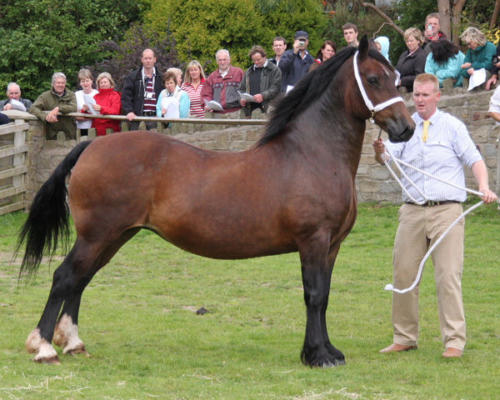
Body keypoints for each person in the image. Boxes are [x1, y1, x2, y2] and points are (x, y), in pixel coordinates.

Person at [373, 73, 497, 359]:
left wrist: (483, 186)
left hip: (447, 211)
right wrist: (380, 152)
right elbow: (387, 159)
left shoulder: (452, 126)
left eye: (425, 95)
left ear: (437, 96)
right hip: (412, 211)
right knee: (403, 274)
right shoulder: (405, 127)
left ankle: (454, 341)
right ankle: (404, 337)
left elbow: (474, 160)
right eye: (416, 95)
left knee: (448, 276)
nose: (420, 100)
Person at [121, 48, 164, 130]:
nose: (148, 61)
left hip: (156, 118)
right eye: (146, 58)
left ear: (154, 59)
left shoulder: (161, 78)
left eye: (150, 58)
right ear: (142, 60)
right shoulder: (132, 77)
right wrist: (129, 111)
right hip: (138, 118)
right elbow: (126, 97)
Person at [30, 72, 77, 140]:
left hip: (69, 134)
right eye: (58, 83)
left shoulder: (71, 95)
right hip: (51, 135)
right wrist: (45, 117)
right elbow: (33, 108)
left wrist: (58, 109)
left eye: (62, 83)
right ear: (53, 84)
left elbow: (74, 107)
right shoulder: (45, 96)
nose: (60, 85)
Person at [239, 45, 281, 118]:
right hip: (250, 112)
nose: (256, 62)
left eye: (258, 60)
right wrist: (241, 99)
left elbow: (276, 88)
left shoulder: (274, 70)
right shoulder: (249, 71)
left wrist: (262, 95)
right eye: (254, 60)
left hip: (267, 110)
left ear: (264, 57)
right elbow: (241, 89)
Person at [201, 49, 243, 114]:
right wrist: (207, 105)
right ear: (217, 62)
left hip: (236, 112)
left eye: (224, 59)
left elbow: (245, 90)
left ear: (229, 60)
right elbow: (206, 94)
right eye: (220, 60)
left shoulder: (238, 73)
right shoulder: (212, 77)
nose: (222, 62)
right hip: (217, 114)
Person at [395, 28, 427, 92]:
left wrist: (402, 81)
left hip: (414, 92)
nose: (409, 43)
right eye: (407, 41)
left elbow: (420, 77)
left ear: (418, 41)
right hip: (401, 91)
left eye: (411, 41)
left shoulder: (421, 56)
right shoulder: (404, 55)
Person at [74, 69, 98, 136]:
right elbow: (75, 113)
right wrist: (89, 113)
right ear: (80, 83)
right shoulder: (76, 94)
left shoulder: (97, 93)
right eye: (83, 81)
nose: (85, 83)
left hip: (94, 128)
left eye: (87, 80)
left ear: (91, 81)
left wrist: (84, 113)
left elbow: (99, 113)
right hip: (80, 128)